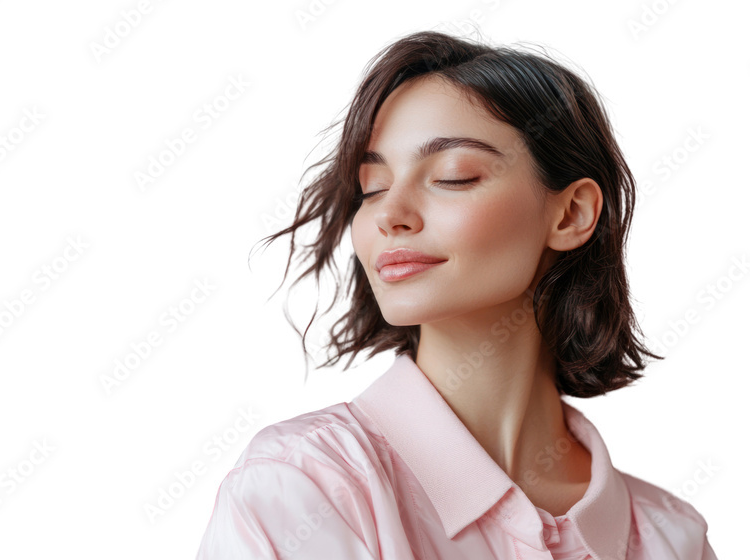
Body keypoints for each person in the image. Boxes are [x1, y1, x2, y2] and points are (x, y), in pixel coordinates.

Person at [195, 30, 717, 559]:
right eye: (372, 188)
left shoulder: (673, 537)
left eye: (453, 176)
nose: (389, 214)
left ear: (571, 214)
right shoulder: (302, 487)